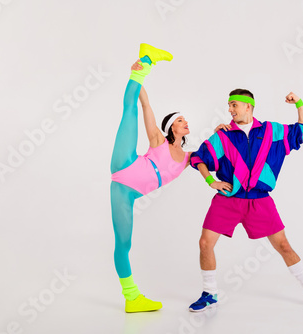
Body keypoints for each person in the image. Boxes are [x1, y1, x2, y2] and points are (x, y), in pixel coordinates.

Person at [188, 89, 303, 314]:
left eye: (234, 105)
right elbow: (198, 158)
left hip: (259, 200)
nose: (229, 109)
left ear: (248, 106)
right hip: (228, 199)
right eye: (229, 105)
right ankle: (209, 293)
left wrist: (300, 104)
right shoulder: (223, 135)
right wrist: (210, 180)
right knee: (205, 243)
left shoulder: (272, 131)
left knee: (283, 246)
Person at [110, 44, 190, 313]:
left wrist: (221, 129)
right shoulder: (158, 140)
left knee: (124, 243)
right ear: (170, 128)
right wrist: (136, 72)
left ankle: (132, 299)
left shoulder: (190, 157)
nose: (185, 123)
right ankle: (147, 59)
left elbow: (214, 151)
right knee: (130, 109)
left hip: (126, 191)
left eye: (185, 120)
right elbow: (145, 103)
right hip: (126, 164)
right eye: (180, 120)